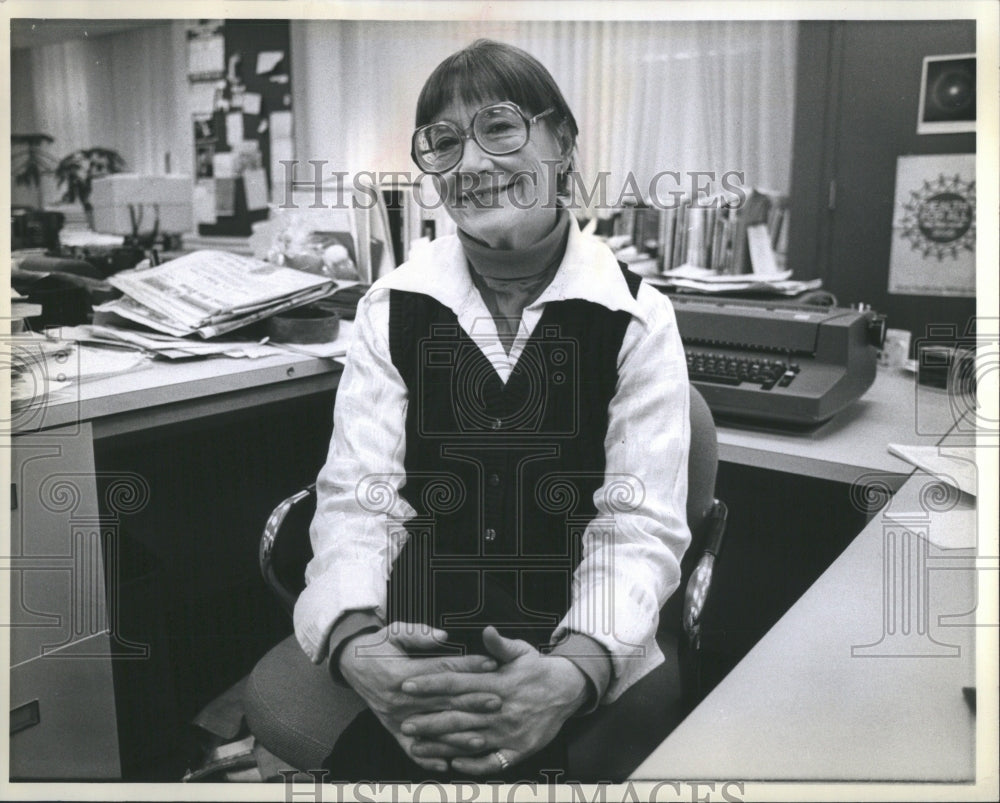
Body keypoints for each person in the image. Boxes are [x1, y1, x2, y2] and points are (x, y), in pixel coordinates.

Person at [293, 39, 691, 783]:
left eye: (500, 128)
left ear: (562, 141)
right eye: (443, 142)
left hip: (577, 622)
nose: (471, 163)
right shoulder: (390, 307)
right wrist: (356, 641)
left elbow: (639, 525)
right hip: (418, 625)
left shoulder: (638, 315)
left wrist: (574, 668)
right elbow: (358, 500)